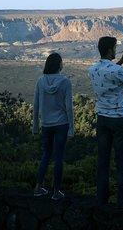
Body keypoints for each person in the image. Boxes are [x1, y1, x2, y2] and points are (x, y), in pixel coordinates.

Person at [88, 36, 123, 208]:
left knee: (103, 160)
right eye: (115, 48)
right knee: (121, 160)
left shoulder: (93, 69)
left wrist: (120, 61)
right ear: (110, 50)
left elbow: (109, 73)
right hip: (119, 119)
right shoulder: (116, 70)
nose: (116, 50)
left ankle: (101, 199)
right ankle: (121, 201)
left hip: (102, 119)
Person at [32, 52, 74, 200]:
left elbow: (36, 106)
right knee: (58, 158)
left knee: (45, 156)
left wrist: (35, 127)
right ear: (59, 65)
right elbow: (69, 107)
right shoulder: (65, 82)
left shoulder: (40, 81)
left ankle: (38, 187)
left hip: (46, 124)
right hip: (62, 124)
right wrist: (71, 129)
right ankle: (56, 191)